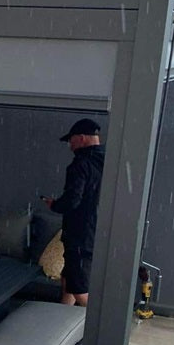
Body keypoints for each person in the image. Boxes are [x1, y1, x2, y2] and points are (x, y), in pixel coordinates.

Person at [44, 118, 104, 306]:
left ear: (82, 138)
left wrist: (55, 205)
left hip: (80, 234)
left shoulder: (80, 164)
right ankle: (60, 319)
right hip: (98, 231)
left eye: (71, 140)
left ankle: (99, 331)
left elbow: (73, 200)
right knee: (69, 281)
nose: (70, 145)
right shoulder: (108, 161)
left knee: (79, 289)